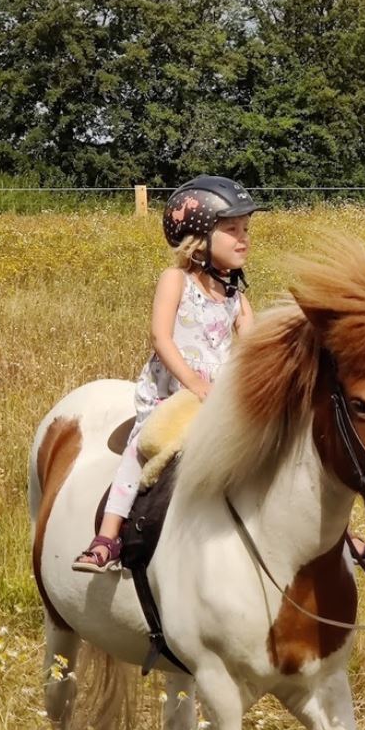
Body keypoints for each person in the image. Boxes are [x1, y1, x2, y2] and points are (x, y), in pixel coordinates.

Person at [73, 175, 264, 573]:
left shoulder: (236, 296)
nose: (243, 238)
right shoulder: (175, 280)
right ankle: (107, 536)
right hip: (172, 393)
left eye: (246, 229)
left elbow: (255, 344)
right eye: (231, 230)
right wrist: (194, 384)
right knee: (141, 447)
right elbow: (161, 337)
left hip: (218, 399)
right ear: (197, 242)